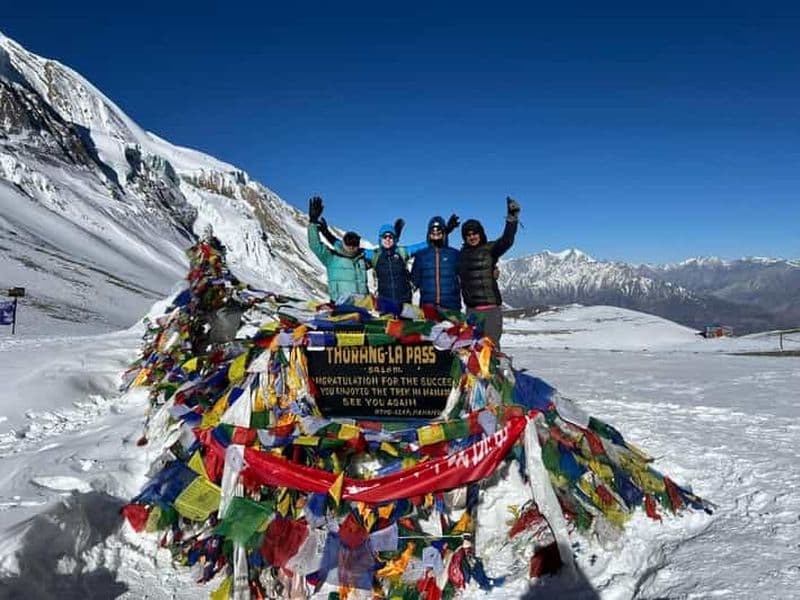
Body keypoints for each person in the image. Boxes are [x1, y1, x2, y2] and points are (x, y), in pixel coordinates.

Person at [458, 197, 520, 345]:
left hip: (491, 310)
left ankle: (496, 369)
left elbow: (507, 240)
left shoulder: (490, 249)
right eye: (468, 234)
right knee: (472, 351)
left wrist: (512, 218)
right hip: (472, 311)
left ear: (481, 233)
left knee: (491, 350)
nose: (472, 237)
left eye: (475, 233)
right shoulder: (461, 255)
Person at [306, 196, 368, 301]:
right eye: (349, 242)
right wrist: (313, 222)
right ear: (343, 242)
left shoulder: (362, 260)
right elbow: (315, 245)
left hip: (363, 307)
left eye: (355, 243)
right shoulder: (332, 258)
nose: (352, 246)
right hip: (340, 306)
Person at [362, 220, 428, 309]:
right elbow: (351, 247)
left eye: (391, 236)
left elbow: (421, 246)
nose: (388, 239)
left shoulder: (402, 252)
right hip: (385, 303)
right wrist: (336, 241)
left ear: (395, 239)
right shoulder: (375, 255)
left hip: (404, 302)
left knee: (406, 323)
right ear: (380, 239)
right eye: (385, 236)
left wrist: (443, 233)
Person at [411, 214, 462, 316]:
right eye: (432, 232)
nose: (436, 235)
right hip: (428, 308)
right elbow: (414, 281)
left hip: (451, 308)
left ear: (444, 233)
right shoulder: (421, 255)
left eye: (439, 232)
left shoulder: (454, 254)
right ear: (428, 234)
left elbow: (466, 276)